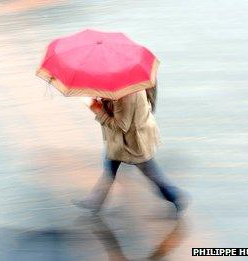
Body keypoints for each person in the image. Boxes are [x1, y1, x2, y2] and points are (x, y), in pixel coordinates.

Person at [73, 88, 187, 216]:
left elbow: (121, 125)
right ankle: (94, 201)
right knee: (109, 169)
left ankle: (175, 197)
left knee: (152, 174)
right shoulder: (132, 85)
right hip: (120, 141)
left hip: (132, 145)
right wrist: (104, 100)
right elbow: (151, 98)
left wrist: (97, 109)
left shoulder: (126, 95)